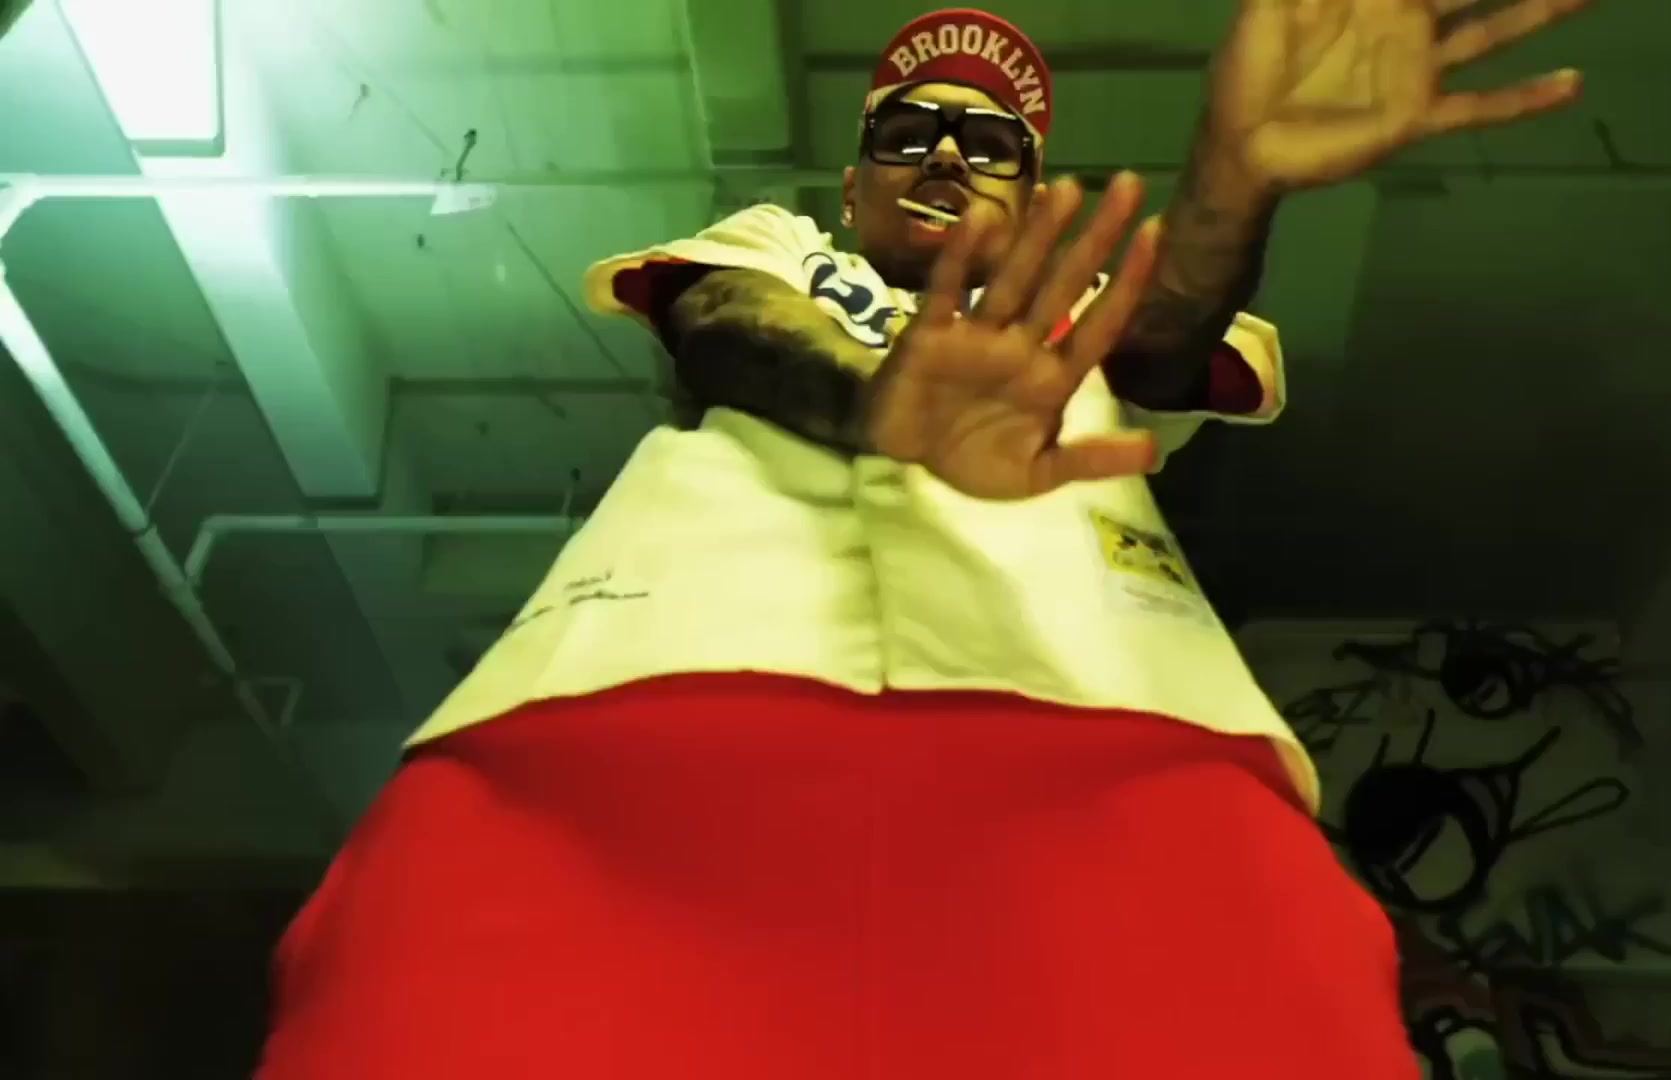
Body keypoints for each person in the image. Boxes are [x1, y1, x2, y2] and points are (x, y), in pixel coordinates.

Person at [256, 2, 1591, 1076]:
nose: (947, 156)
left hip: (1117, 755)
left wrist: (1231, 192)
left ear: (1031, 188)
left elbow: (1170, 329)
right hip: (621, 743)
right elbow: (729, 327)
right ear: (853, 186)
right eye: (909, 133)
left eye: (988, 143)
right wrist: (879, 397)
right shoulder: (772, 247)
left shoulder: (1090, 307)